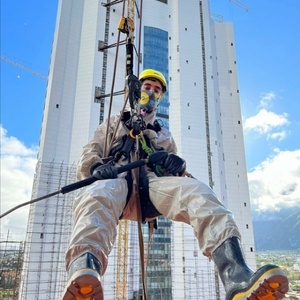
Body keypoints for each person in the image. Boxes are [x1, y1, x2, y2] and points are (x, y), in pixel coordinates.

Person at [62, 69, 289, 300]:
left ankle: (236, 276)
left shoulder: (163, 136)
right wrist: (95, 168)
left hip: (150, 188)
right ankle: (84, 269)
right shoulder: (114, 123)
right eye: (147, 87)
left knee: (198, 192)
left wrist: (175, 165)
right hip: (116, 180)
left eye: (157, 90)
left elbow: (176, 178)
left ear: (161, 97)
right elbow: (92, 150)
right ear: (136, 89)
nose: (151, 92)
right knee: (97, 194)